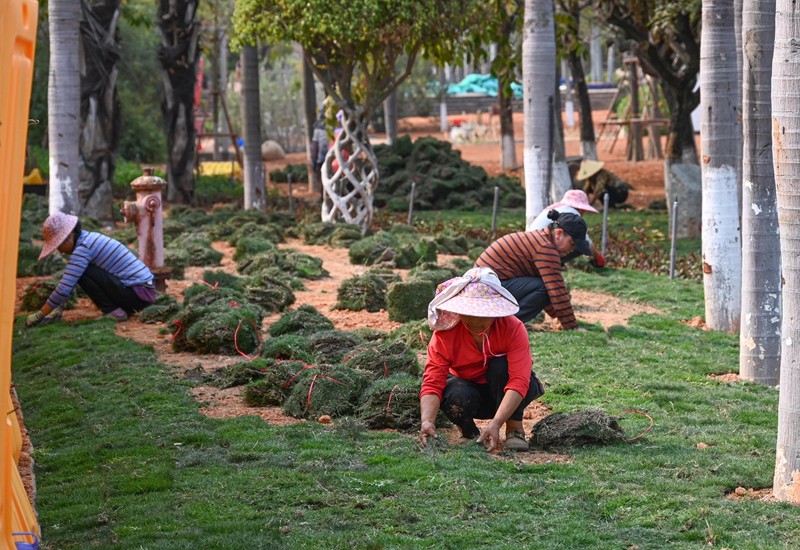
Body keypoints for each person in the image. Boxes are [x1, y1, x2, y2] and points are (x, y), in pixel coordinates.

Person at [419, 267, 545, 452]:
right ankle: (469, 432)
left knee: (500, 366)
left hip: (504, 391)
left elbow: (519, 381)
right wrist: (427, 420)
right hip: (469, 393)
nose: (476, 322)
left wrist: (496, 423)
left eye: (483, 315)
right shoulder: (445, 335)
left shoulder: (513, 328)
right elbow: (433, 381)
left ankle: (515, 428)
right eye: (469, 313)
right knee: (453, 392)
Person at [25, 212, 157, 327]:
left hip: (138, 295)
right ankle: (117, 309)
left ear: (69, 237)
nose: (60, 251)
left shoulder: (83, 249)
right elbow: (69, 281)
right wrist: (58, 308)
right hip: (143, 292)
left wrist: (39, 315)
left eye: (59, 245)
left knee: (84, 273)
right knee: (79, 271)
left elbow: (64, 287)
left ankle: (114, 312)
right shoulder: (88, 239)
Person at [475, 211, 590, 329]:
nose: (572, 249)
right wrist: (572, 326)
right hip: (484, 289)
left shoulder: (540, 239)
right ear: (558, 233)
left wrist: (559, 318)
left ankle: (503, 322)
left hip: (480, 287)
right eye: (572, 243)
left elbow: (548, 291)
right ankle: (504, 325)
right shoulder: (545, 248)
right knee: (545, 288)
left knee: (544, 286)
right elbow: (556, 291)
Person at [529, 189, 606, 267]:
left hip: (532, 244)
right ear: (582, 209)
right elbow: (585, 240)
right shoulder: (571, 214)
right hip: (540, 249)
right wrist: (598, 257)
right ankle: (554, 263)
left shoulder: (558, 209)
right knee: (581, 244)